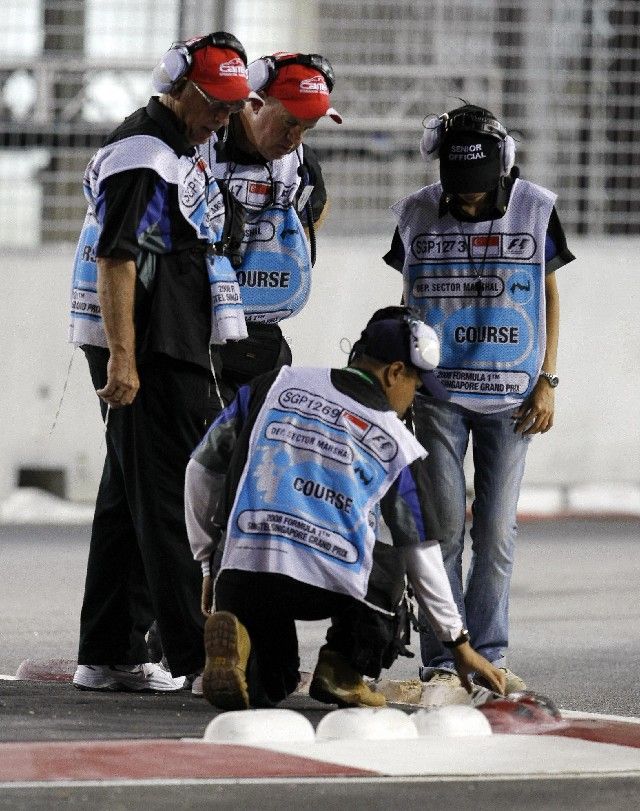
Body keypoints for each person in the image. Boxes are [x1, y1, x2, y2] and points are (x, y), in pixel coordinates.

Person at [184, 307, 507, 710]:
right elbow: (421, 553)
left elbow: (201, 468)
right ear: (394, 373)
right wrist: (458, 643)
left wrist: (208, 562)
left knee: (272, 681)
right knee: (394, 552)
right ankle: (345, 667)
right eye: (417, 384)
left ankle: (243, 643)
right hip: (332, 580)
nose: (413, 400)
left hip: (246, 569)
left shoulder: (272, 385)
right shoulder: (397, 443)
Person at [68, 32, 256, 692]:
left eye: (235, 108)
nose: (226, 119)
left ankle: (111, 650)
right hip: (149, 346)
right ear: (177, 87)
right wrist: (123, 358)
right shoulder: (145, 155)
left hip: (162, 339)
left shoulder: (173, 147)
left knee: (130, 497)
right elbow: (116, 257)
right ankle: (195, 655)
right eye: (216, 105)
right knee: (176, 495)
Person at [384, 103, 575, 705]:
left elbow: (548, 294)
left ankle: (487, 655)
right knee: (442, 528)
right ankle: (443, 659)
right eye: (456, 193)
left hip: (513, 396)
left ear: (504, 167)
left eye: (477, 193)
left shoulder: (537, 208)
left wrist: (548, 378)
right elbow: (408, 292)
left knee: (495, 530)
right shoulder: (415, 212)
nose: (466, 204)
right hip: (439, 397)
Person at [198, 50, 341, 402]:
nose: (296, 138)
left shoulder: (301, 162)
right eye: (289, 122)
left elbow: (314, 214)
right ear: (256, 102)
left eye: (307, 128)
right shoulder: (200, 141)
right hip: (191, 324)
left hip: (256, 325)